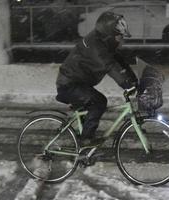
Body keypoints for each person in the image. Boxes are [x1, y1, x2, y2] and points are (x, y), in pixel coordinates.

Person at [55, 11, 138, 148]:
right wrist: (126, 84)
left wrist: (134, 81)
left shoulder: (104, 44)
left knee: (91, 108)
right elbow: (110, 66)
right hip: (69, 85)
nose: (121, 41)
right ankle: (85, 140)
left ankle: (81, 152)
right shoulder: (96, 46)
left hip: (78, 83)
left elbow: (120, 63)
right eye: (119, 37)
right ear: (109, 35)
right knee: (99, 101)